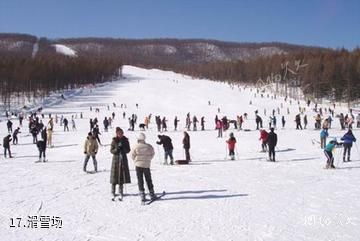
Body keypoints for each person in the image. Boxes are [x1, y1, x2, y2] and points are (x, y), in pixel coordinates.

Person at [130, 133, 156, 202]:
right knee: (148, 179)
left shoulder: (135, 146)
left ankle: (142, 194)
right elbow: (152, 153)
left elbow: (132, 155)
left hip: (138, 165)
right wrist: (148, 159)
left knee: (140, 180)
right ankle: (152, 193)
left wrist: (136, 160)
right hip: (146, 165)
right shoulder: (149, 146)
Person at [110, 127, 131, 199]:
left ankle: (120, 191)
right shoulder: (114, 140)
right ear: (116, 134)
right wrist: (117, 149)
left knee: (121, 175)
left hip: (123, 160)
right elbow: (111, 151)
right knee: (114, 176)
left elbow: (128, 150)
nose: (120, 134)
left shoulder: (125, 140)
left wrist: (123, 149)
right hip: (116, 160)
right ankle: (113, 191)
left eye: (121, 133)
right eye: (119, 133)